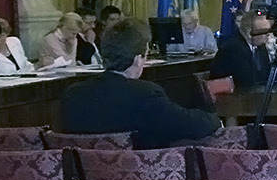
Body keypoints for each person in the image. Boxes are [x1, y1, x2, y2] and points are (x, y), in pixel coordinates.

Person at [58, 18, 221, 149]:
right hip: (142, 179)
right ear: (137, 60)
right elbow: (188, 124)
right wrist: (215, 120)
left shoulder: (73, 95)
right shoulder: (145, 94)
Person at [209, 10, 273, 89]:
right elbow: (244, 80)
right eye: (264, 31)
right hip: (233, 94)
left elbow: (266, 75)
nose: (268, 34)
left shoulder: (260, 47)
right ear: (250, 33)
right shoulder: (232, 50)